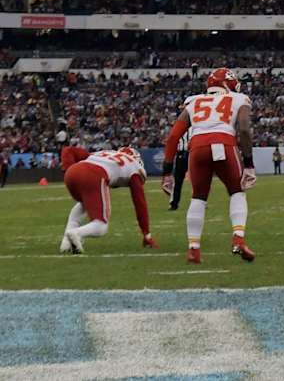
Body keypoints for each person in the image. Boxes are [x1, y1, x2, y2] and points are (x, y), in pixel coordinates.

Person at [162, 67, 256, 264]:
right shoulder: (239, 98)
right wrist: (248, 164)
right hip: (224, 143)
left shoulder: (193, 101)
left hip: (197, 147)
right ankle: (238, 239)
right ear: (228, 84)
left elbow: (172, 137)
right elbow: (245, 129)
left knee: (198, 197)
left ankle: (193, 250)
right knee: (237, 192)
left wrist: (166, 172)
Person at [60, 146, 157, 254]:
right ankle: (76, 233)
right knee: (101, 225)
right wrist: (146, 234)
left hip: (72, 172)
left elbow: (68, 149)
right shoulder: (134, 166)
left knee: (84, 204)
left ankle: (65, 243)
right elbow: (140, 203)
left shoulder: (103, 153)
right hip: (94, 174)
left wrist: (67, 167)